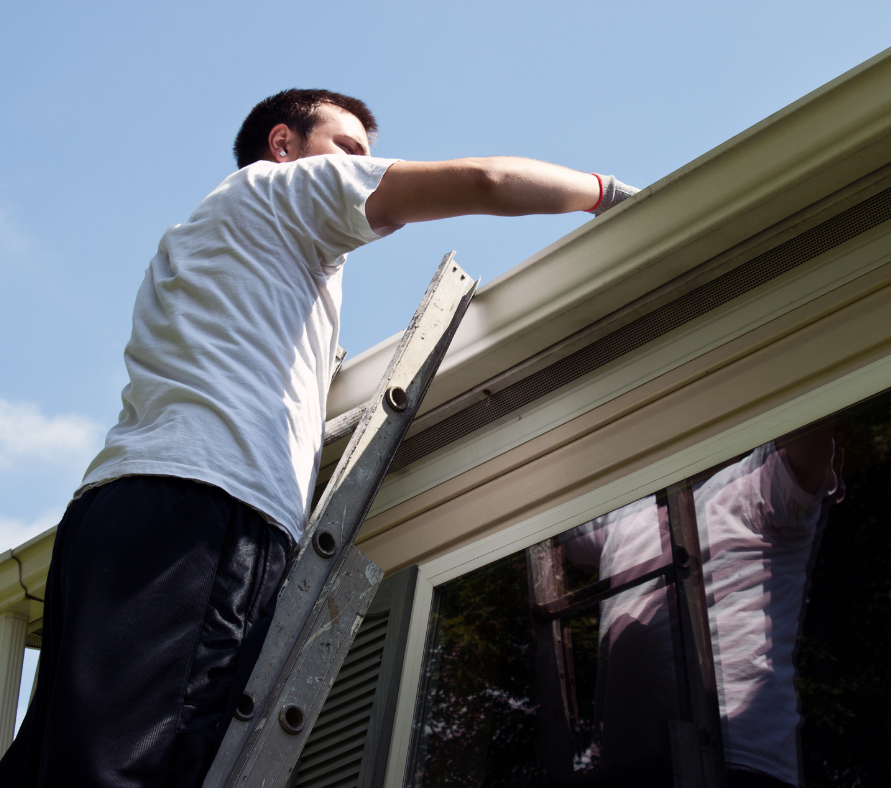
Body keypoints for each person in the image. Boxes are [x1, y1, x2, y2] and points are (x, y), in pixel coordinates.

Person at [0, 88, 638, 788]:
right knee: (137, 768)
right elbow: (484, 179)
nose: (364, 165)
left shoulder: (216, 240)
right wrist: (609, 196)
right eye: (348, 148)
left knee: (61, 761)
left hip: (115, 512)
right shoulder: (289, 186)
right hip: (206, 509)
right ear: (284, 143)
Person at [564, 431, 843, 787]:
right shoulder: (624, 518)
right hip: (627, 769)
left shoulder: (756, 485)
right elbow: (542, 504)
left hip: (736, 762)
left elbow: (810, 425)